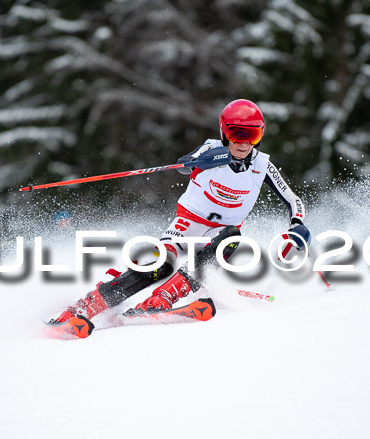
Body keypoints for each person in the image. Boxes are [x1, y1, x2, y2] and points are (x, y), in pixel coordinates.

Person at [48, 99, 311, 335]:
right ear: (224, 133)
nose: (243, 143)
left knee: (231, 238)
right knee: (159, 264)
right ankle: (85, 307)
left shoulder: (262, 165)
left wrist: (297, 223)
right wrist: (199, 161)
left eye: (251, 136)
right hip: (188, 224)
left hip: (218, 233)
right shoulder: (210, 150)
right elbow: (185, 163)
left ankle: (160, 300)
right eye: (235, 134)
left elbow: (292, 198)